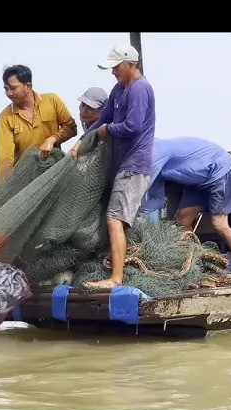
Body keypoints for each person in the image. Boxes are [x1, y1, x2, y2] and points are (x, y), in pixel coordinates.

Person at [69, 44, 156, 289]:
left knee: (114, 219)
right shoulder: (119, 89)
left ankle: (116, 279)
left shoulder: (140, 89)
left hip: (135, 164)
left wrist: (108, 130)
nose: (113, 72)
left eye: (116, 67)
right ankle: (117, 271)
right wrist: (80, 143)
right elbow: (103, 119)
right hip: (122, 165)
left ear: (131, 64)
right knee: (116, 219)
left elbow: (133, 126)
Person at [137, 137, 231, 277]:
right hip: (197, 183)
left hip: (219, 171)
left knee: (219, 224)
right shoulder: (150, 165)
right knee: (182, 220)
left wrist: (126, 216)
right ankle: (199, 264)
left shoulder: (153, 152)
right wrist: (138, 216)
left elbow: (140, 187)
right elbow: (156, 200)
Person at [0, 64, 78, 186]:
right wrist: (0, 187)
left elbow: (71, 128)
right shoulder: (5, 118)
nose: (9, 93)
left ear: (28, 86)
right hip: (25, 179)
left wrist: (52, 139)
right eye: (6, 89)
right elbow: (4, 158)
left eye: (13, 88)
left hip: (53, 172)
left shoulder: (51, 101)